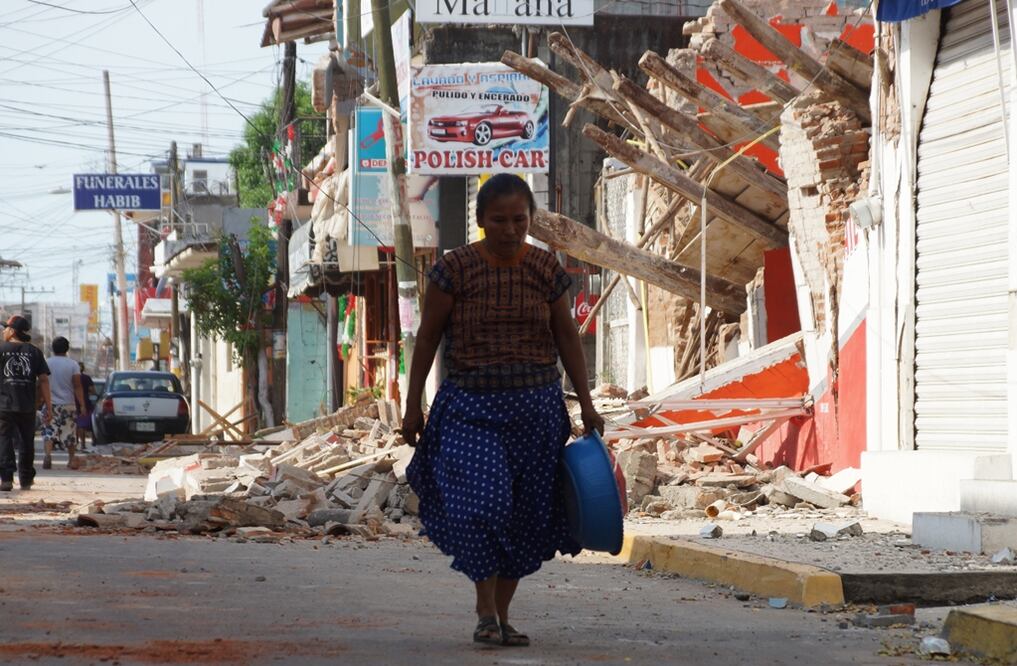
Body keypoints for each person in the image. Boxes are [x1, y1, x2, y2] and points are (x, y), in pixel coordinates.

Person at [402, 174, 604, 648]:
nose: (511, 229)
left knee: (526, 517)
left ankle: (500, 617)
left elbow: (567, 338)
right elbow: (427, 339)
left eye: (520, 219)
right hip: (470, 407)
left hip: (536, 410)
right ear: (480, 221)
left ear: (530, 220)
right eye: (499, 220)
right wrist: (414, 406)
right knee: (484, 505)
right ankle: (483, 606)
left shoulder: (545, 269)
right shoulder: (454, 270)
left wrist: (587, 403)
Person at [0, 316, 51, 491]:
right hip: (27, 405)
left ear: (12, 331)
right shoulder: (34, 352)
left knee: (4, 439)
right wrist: (49, 407)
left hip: (4, 405)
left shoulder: (1, 349)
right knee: (26, 442)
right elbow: (44, 380)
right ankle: (26, 479)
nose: (3, 331)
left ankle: (6, 478)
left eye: (5, 328)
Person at [43, 336, 83, 470]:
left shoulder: (46, 363)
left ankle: (48, 455)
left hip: (50, 404)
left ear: (52, 348)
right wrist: (82, 405)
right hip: (68, 404)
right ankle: (71, 459)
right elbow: (77, 386)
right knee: (70, 432)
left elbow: (41, 383)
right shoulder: (73, 364)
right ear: (67, 349)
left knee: (49, 431)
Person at [75, 362, 95, 450]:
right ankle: (83, 444)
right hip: (84, 402)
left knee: (74, 424)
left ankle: (74, 443)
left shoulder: (71, 378)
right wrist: (87, 393)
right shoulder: (86, 378)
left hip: (72, 402)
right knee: (81, 425)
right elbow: (92, 390)